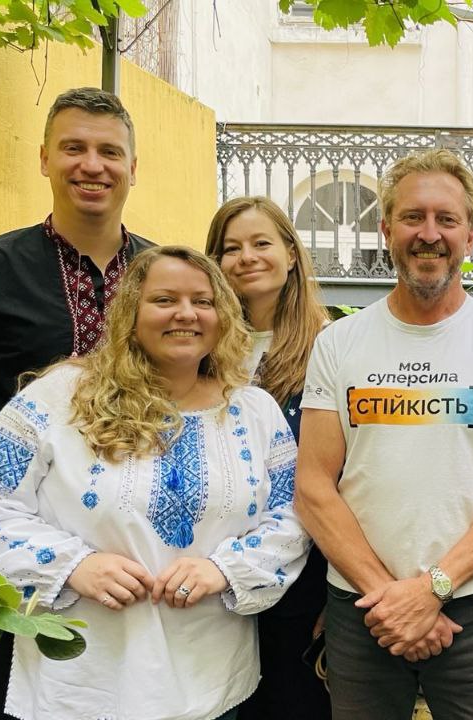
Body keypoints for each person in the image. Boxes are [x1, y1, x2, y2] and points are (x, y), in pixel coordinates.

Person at [0, 245, 309, 720]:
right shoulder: (59, 398)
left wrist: (225, 569)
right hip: (82, 678)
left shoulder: (254, 411)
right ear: (130, 312)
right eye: (164, 299)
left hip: (207, 677)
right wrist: (73, 566)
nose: (186, 313)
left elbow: (294, 517)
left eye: (203, 301)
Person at [0, 86, 153, 720]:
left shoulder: (166, 278)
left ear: (131, 168)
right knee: (3, 700)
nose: (91, 165)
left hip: (138, 547)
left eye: (108, 152)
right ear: (44, 158)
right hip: (9, 538)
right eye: (73, 148)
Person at [296, 149, 473, 720]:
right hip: (364, 606)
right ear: (385, 228)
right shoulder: (339, 343)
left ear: (469, 235)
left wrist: (432, 588)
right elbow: (313, 486)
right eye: (412, 217)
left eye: (446, 220)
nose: (428, 234)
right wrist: (392, 598)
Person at [204, 196, 332, 719]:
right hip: (212, 572)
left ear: (291, 254)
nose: (246, 257)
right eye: (230, 248)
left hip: (303, 578)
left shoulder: (332, 344)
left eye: (261, 243)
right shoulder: (199, 348)